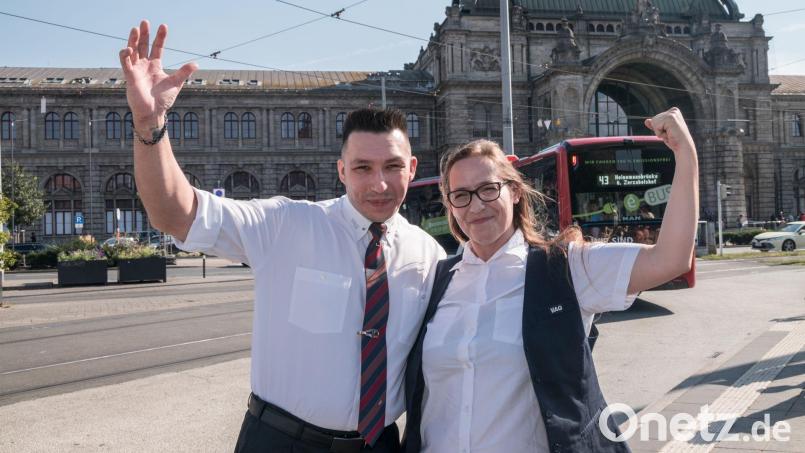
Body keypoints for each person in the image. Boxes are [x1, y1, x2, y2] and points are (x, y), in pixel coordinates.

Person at [119, 20, 445, 453]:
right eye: (363, 168)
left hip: (380, 445)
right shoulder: (285, 225)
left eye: (392, 167)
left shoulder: (430, 254)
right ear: (342, 171)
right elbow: (174, 212)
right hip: (281, 441)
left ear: (412, 169)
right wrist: (149, 124)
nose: (379, 185)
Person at [404, 108, 698, 452]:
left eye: (488, 189)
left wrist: (685, 153)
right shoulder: (438, 281)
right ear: (451, 205)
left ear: (514, 191)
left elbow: (670, 259)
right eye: (461, 195)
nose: (476, 205)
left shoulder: (567, 267)